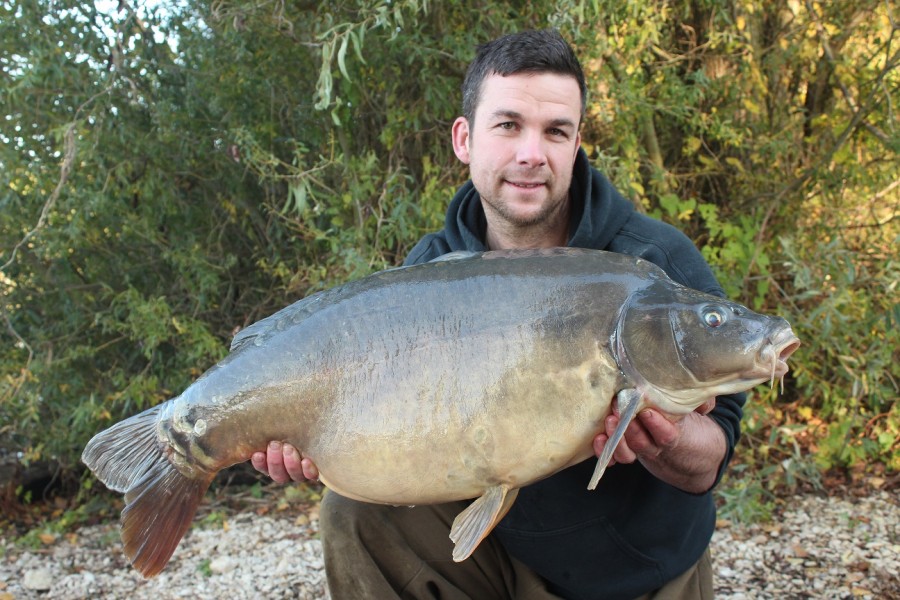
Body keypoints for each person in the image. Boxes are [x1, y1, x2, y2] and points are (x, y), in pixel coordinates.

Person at [252, 28, 743, 599]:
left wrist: (670, 438)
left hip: (635, 573)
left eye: (555, 131)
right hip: (493, 550)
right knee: (351, 511)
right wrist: (314, 440)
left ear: (576, 142)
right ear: (465, 138)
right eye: (508, 125)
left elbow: (712, 457)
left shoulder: (651, 263)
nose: (531, 153)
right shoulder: (429, 274)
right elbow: (393, 434)